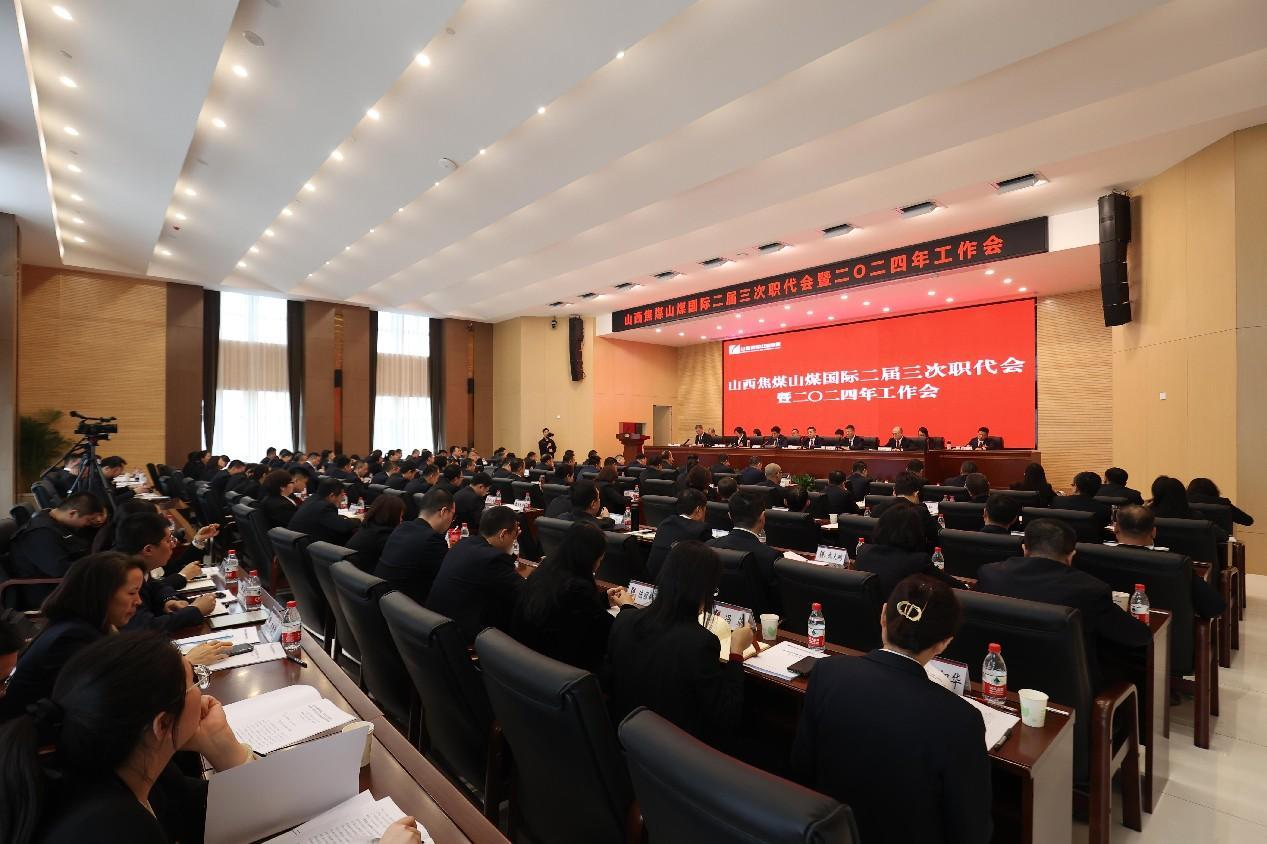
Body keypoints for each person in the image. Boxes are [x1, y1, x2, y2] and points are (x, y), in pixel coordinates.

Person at [791, 575, 991, 844]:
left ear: (883, 615)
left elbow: (802, 768)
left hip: (829, 833)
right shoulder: (962, 719)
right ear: (944, 642)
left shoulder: (827, 672)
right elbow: (971, 831)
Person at [975, 518, 1151, 687]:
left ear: (1024, 549)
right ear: (1071, 555)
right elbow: (1138, 637)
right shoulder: (1090, 590)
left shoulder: (990, 574)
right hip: (1066, 688)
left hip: (995, 676)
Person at [606, 541, 752, 745]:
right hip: (674, 752)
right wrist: (736, 651)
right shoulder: (700, 642)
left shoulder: (624, 620)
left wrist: (627, 607)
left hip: (626, 738)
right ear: (703, 590)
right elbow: (727, 714)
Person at [512, 523, 635, 677]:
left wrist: (604, 599)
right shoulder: (577, 589)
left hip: (530, 663)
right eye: (600, 559)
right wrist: (628, 608)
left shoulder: (546, 569)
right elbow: (611, 633)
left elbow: (570, 609)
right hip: (563, 674)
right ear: (590, 559)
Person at [426, 506, 524, 642]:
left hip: (436, 624)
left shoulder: (464, 543)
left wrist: (510, 546)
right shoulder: (492, 559)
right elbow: (524, 592)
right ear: (503, 534)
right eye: (514, 536)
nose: (515, 540)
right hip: (459, 636)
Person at [1115, 506, 1225, 619]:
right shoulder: (1176, 564)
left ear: (1116, 528)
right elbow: (1215, 606)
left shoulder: (1103, 557)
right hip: (1167, 628)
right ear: (1154, 532)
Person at [113, 514, 215, 633]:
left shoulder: (135, 565)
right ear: (148, 550)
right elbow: (146, 627)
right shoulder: (123, 576)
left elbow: (155, 585)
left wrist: (169, 600)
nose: (173, 544)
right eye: (168, 540)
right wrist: (195, 610)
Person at [8, 492, 109, 606]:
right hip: (47, 594)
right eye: (89, 520)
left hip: (63, 585)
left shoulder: (56, 521)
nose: (88, 524)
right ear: (72, 513)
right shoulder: (40, 533)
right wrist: (97, 567)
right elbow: (59, 571)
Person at [855, 505, 959, 599]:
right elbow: (955, 588)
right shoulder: (917, 561)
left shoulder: (863, 552)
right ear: (915, 532)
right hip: (899, 612)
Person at [375, 489, 454, 604]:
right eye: (452, 515)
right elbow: (447, 578)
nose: (452, 520)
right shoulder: (432, 539)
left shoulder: (402, 527)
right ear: (444, 512)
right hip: (404, 608)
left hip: (381, 599)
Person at [706, 491, 780, 615]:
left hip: (715, 617)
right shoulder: (770, 557)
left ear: (730, 516)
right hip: (757, 622)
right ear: (762, 516)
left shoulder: (709, 546)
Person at [646, 490, 712, 581]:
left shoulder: (665, 523)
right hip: (678, 585)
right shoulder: (701, 529)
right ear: (698, 509)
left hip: (652, 582)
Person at [346, 494, 405, 574]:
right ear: (392, 517)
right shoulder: (385, 537)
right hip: (366, 577)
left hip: (350, 575)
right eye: (400, 516)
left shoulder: (366, 526)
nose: (401, 520)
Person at [289, 478, 359, 545]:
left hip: (295, 544)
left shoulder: (312, 499)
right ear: (332, 496)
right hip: (309, 548)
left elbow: (331, 519)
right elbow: (344, 526)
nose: (343, 498)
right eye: (342, 495)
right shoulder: (324, 507)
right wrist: (359, 519)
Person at [1186, 477, 1254, 526]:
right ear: (1213, 490)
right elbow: (1248, 521)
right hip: (1217, 540)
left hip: (1186, 541)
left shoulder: (1183, 503)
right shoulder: (1222, 503)